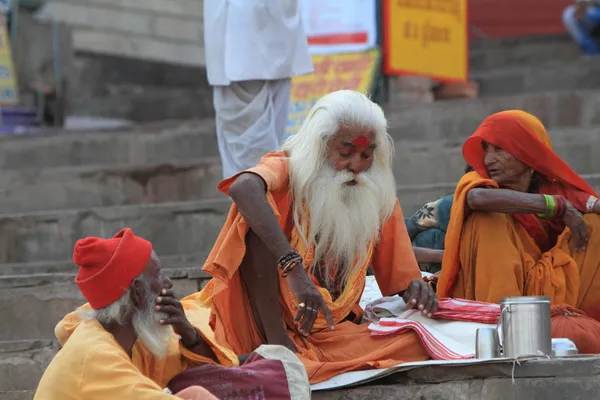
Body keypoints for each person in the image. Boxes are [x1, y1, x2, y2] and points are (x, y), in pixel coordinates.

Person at [186, 90, 438, 384]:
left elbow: (402, 279)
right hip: (261, 325)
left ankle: (284, 362)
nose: (355, 166)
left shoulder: (375, 194)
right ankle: (275, 348)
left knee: (417, 341)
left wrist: (416, 291)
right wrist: (293, 269)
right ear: (320, 147)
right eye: (345, 153)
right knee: (257, 217)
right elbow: (243, 188)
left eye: (366, 155)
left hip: (329, 331)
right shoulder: (288, 168)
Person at [35, 228, 236, 399]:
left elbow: (205, 373)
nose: (168, 283)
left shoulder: (130, 342)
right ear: (138, 291)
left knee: (195, 394)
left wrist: (190, 336)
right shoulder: (97, 355)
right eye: (158, 274)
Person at [436, 110, 600, 321]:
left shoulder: (552, 187)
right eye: (485, 149)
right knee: (488, 217)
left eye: (499, 149)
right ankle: (504, 324)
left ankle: (577, 321)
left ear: (528, 153)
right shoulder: (478, 183)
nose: (488, 159)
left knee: (595, 224)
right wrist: (554, 206)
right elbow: (477, 199)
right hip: (499, 298)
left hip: (546, 290)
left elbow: (592, 204)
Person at [203, 0, 314, 178]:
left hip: (241, 27)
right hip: (276, 23)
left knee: (250, 150)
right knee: (265, 142)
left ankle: (260, 200)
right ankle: (269, 197)